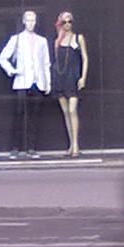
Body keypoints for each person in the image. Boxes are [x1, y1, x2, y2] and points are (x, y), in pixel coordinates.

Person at [0, 10, 51, 158]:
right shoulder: (17, 39)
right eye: (28, 20)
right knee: (19, 115)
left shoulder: (42, 41)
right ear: (23, 21)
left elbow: (46, 63)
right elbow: (3, 58)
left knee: (34, 117)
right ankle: (15, 147)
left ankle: (31, 148)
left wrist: (48, 82)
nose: (31, 23)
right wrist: (12, 71)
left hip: (37, 83)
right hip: (22, 83)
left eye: (33, 20)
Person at [51, 10, 89, 157]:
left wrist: (83, 77)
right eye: (64, 22)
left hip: (73, 77)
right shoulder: (57, 41)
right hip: (60, 77)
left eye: (69, 21)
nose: (67, 24)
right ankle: (71, 144)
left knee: (73, 110)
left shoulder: (78, 38)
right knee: (66, 112)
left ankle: (76, 145)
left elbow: (85, 58)